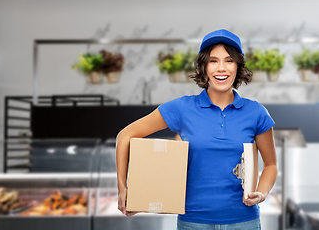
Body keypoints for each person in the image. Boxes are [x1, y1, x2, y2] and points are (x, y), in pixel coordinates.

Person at [116, 29, 278, 230]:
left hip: (244, 222)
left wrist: (261, 194)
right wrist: (124, 188)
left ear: (238, 66)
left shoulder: (256, 112)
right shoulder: (182, 108)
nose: (221, 68)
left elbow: (271, 165)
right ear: (203, 66)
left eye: (228, 60)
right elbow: (125, 136)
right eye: (213, 61)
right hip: (193, 222)